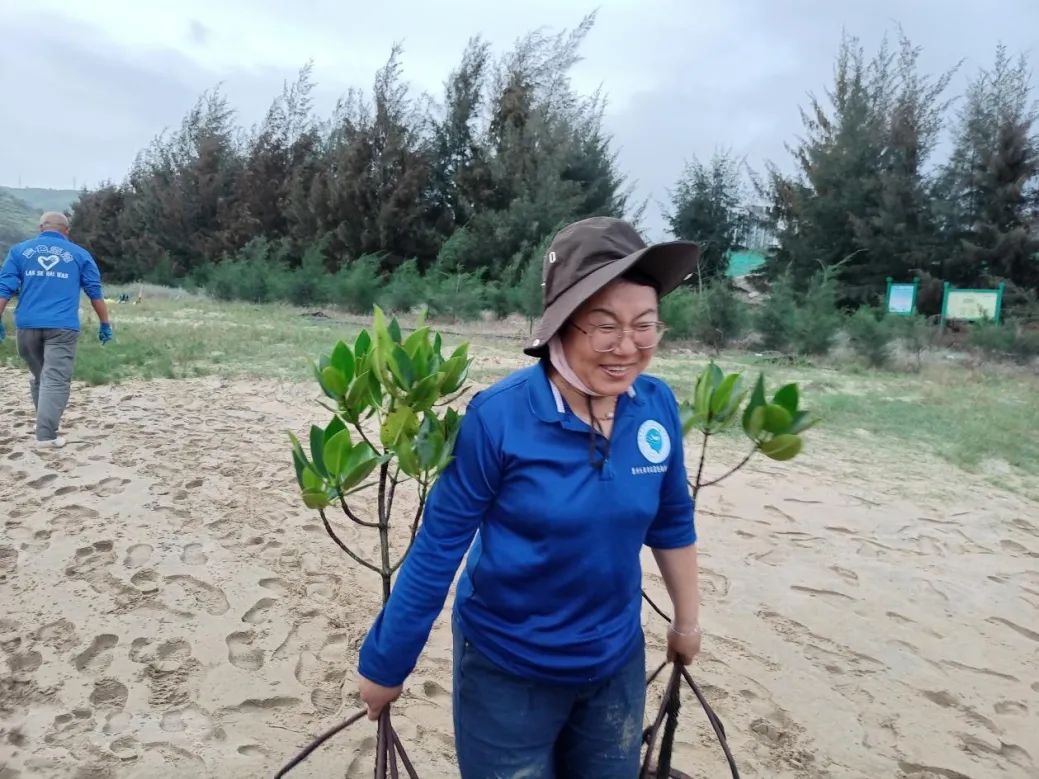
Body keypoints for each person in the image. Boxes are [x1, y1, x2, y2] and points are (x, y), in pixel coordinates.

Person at [357, 216, 703, 778]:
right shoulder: (499, 417)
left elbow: (672, 520)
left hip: (614, 662)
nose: (627, 347)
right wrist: (385, 664)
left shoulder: (655, 405)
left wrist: (686, 624)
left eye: (645, 325)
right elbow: (440, 547)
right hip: (507, 668)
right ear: (562, 324)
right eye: (604, 326)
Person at [0, 212, 112, 448]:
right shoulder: (80, 255)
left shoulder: (19, 251)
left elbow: (4, 289)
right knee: (56, 379)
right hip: (62, 326)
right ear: (67, 230)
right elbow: (94, 292)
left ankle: (44, 422)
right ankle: (46, 435)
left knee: (40, 376)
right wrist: (105, 323)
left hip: (27, 325)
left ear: (41, 228)